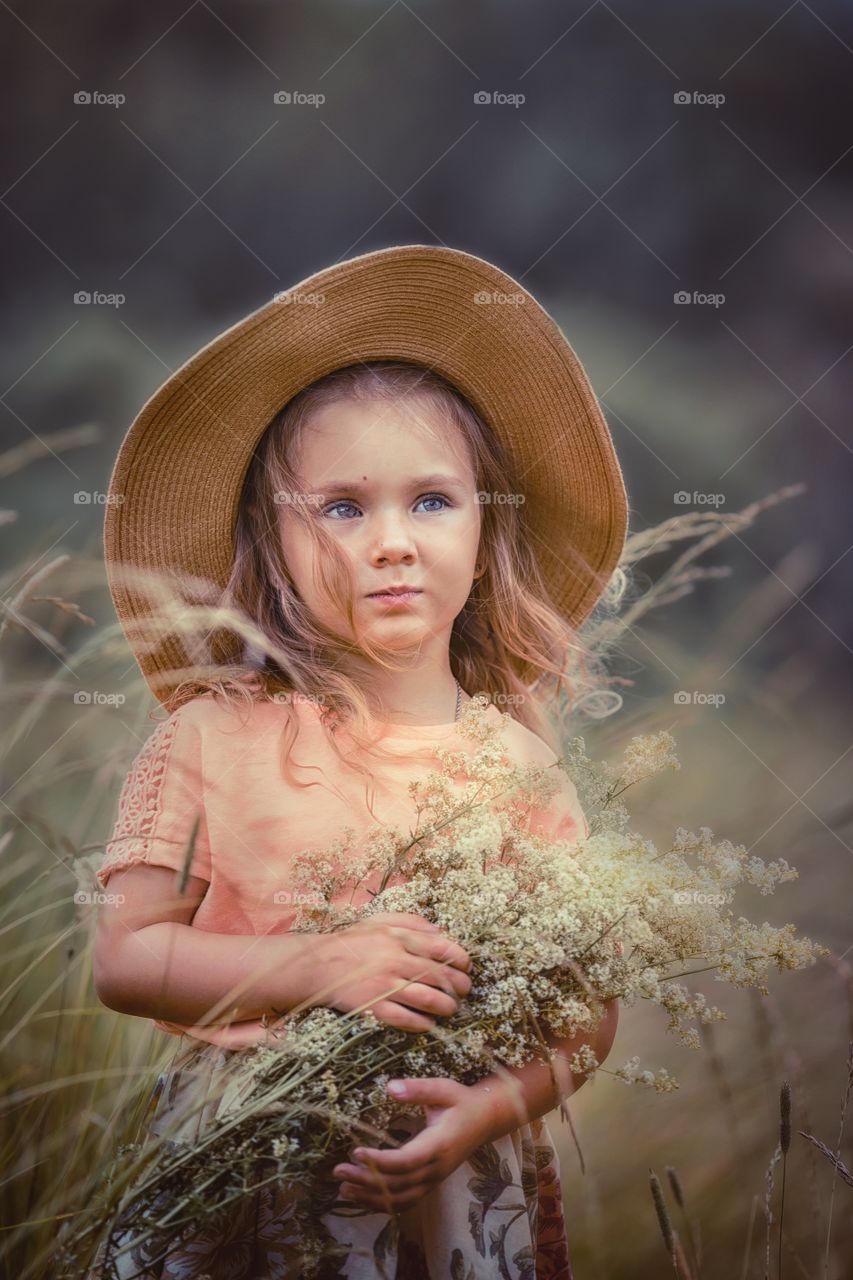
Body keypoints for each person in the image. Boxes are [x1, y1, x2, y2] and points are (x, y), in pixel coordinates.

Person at [85, 244, 629, 1279]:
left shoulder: (516, 767)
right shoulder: (212, 735)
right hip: (248, 1167)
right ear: (273, 540)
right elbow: (125, 958)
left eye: (432, 501)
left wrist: (485, 1111)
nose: (391, 541)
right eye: (341, 506)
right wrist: (315, 966)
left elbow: (583, 1012)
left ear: (486, 533)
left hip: (448, 1190)